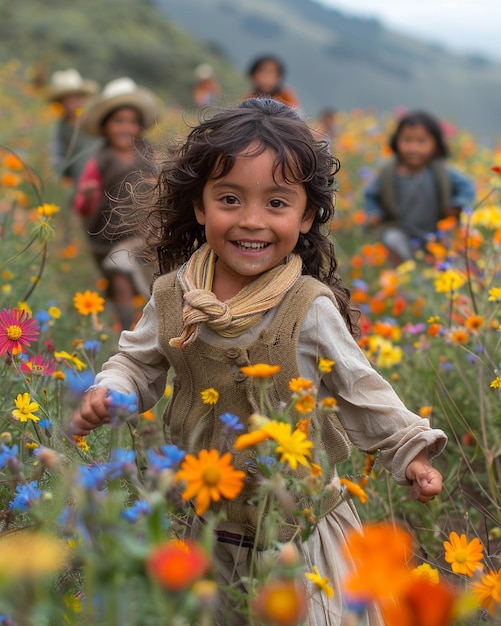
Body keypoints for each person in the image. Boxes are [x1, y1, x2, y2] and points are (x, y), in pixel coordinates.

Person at [70, 99, 446, 625]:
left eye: (276, 203)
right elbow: (137, 362)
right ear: (200, 207)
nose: (251, 220)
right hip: (202, 523)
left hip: (297, 529)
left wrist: (410, 452)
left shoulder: (307, 307)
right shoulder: (175, 296)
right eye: (229, 198)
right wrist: (111, 391)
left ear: (307, 215)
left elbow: (362, 390)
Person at [73, 77, 160, 330]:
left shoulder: (148, 152)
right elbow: (82, 207)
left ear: (140, 126)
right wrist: (88, 196)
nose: (126, 127)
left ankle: (152, 333)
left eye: (132, 122)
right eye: (118, 121)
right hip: (111, 235)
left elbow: (161, 185)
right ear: (105, 126)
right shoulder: (100, 160)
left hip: (146, 233)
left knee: (154, 284)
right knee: (120, 280)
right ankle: (126, 333)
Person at [364, 110, 475, 264]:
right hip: (403, 232)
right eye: (407, 140)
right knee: (391, 238)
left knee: (453, 253)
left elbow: (467, 186)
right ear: (397, 141)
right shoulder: (388, 173)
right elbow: (371, 195)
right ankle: (407, 274)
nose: (413, 148)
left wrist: (457, 205)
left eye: (421, 142)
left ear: (435, 145)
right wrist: (374, 213)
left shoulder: (440, 171)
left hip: (436, 234)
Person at [48, 69, 99, 244]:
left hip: (101, 173)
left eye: (76, 97)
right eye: (67, 98)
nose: (72, 101)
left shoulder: (92, 121)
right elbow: (57, 154)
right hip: (79, 178)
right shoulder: (61, 127)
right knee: (83, 215)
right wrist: (61, 170)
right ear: (60, 102)